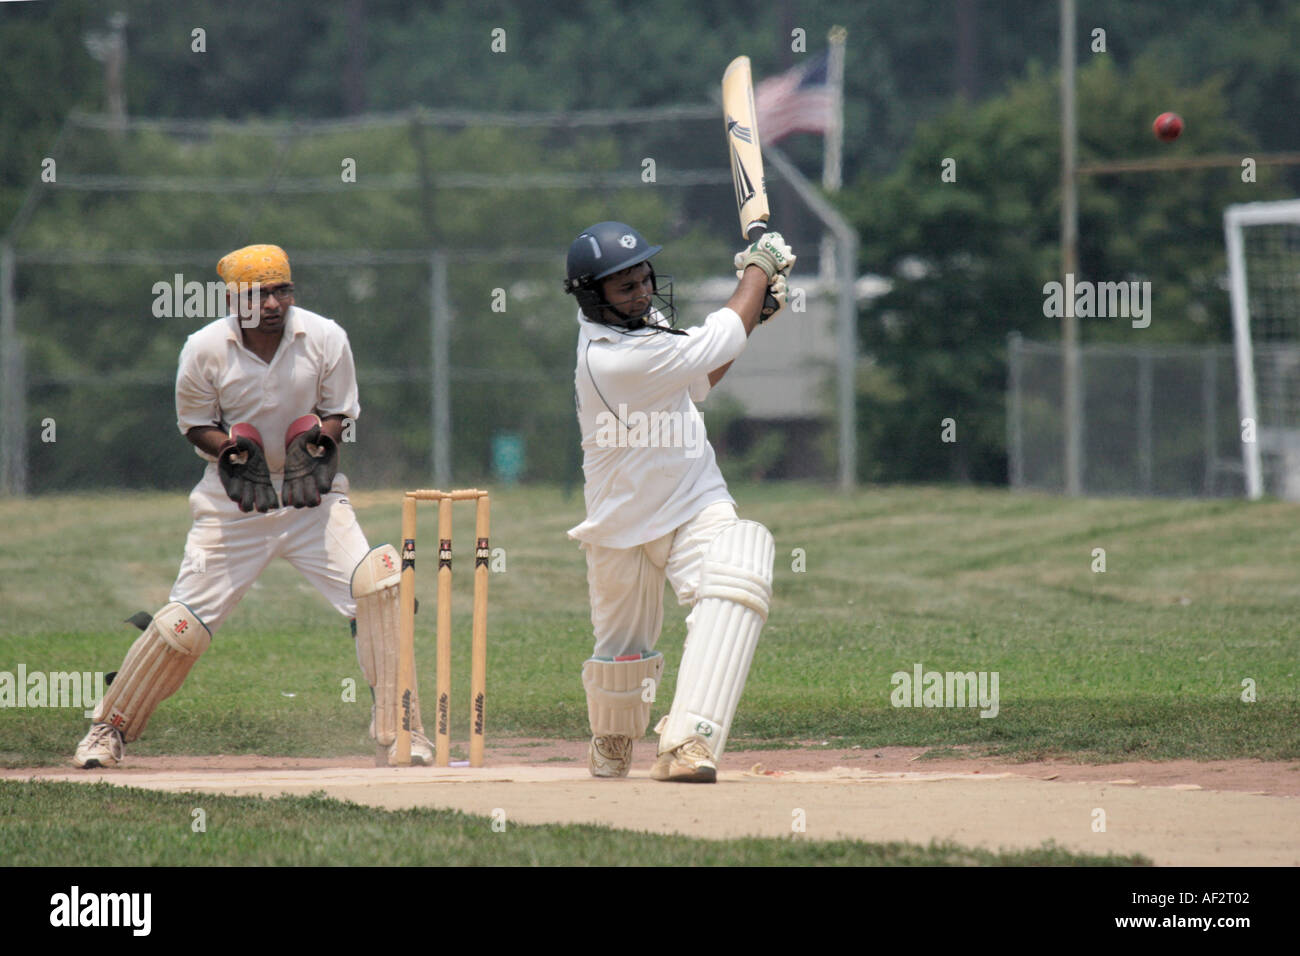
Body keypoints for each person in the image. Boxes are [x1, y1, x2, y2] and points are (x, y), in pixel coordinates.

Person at [73, 244, 434, 768]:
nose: (271, 303)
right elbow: (193, 422)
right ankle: (108, 730)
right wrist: (229, 452)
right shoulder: (203, 349)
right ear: (232, 299)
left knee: (379, 586)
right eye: (257, 294)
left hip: (312, 499)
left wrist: (320, 447)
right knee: (182, 627)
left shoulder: (326, 336)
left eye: (280, 290)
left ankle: (403, 730)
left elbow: (338, 411)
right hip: (233, 503)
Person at [563, 221, 795, 782]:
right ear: (594, 299)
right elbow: (714, 339)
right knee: (622, 657)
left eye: (644, 280)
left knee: (736, 574)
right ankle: (613, 738)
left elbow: (698, 379)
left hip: (695, 497)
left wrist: (752, 318)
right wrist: (758, 270)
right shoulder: (611, 359)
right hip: (623, 521)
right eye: (626, 289)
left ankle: (689, 741)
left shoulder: (645, 327)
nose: (642, 293)